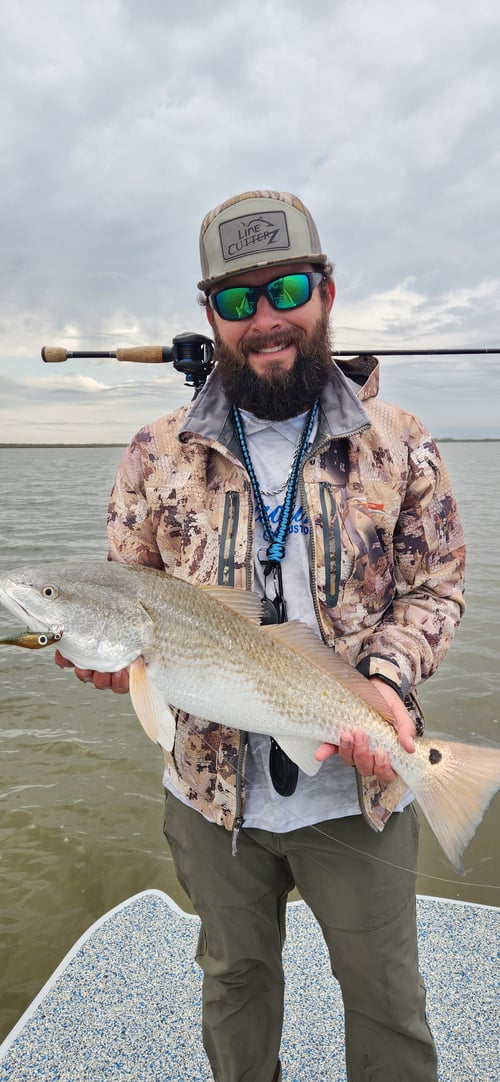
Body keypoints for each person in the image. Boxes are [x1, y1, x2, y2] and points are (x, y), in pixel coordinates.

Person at [56, 190, 466, 1081]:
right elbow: (129, 591)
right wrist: (110, 660)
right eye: (237, 302)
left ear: (326, 290)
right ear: (210, 314)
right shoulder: (153, 451)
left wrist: (386, 690)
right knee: (234, 987)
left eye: (285, 289)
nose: (266, 319)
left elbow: (436, 587)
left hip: (358, 793)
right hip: (209, 797)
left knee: (389, 1006)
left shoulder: (400, 443)